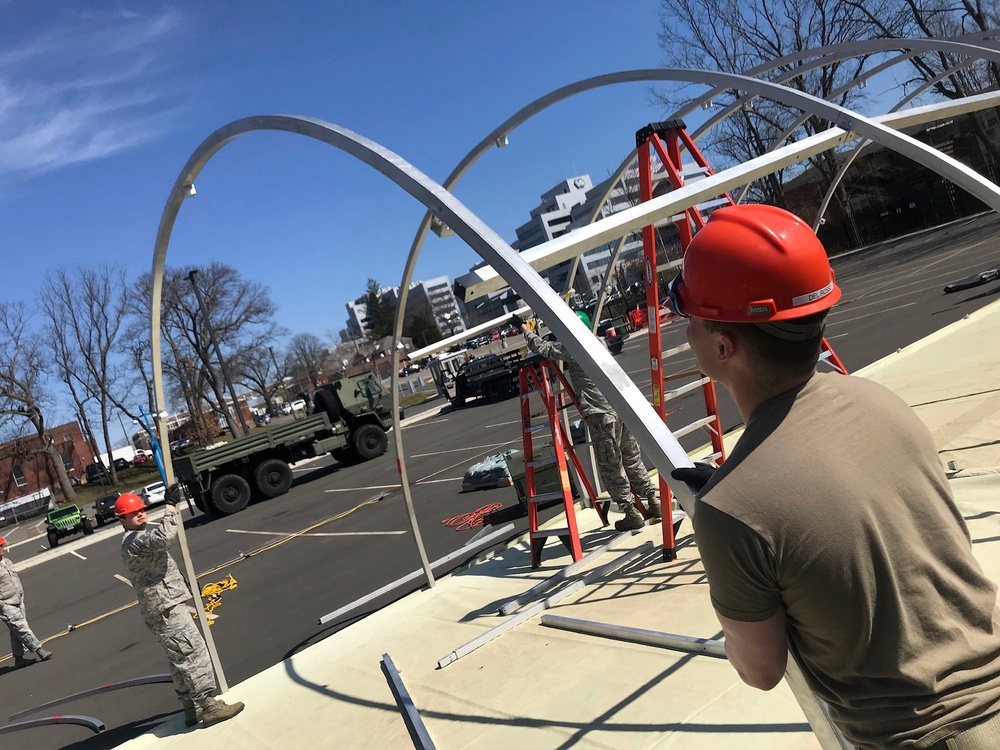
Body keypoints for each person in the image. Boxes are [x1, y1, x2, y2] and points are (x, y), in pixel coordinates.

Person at [666, 204, 1000, 750]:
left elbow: (760, 670)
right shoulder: (882, 402)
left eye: (690, 316)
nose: (684, 330)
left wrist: (726, 530)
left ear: (723, 345)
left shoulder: (731, 511)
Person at [516, 309, 659, 531]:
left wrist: (525, 330)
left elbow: (543, 348)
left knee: (611, 465)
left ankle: (630, 512)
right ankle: (653, 500)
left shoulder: (575, 348)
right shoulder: (598, 342)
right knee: (631, 458)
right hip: (622, 408)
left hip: (601, 414)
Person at [116, 489, 244, 728]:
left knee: (178, 659)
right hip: (167, 609)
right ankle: (208, 705)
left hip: (161, 608)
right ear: (121, 520)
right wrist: (170, 507)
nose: (141, 515)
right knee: (193, 653)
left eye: (142, 510)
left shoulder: (134, 539)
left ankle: (191, 706)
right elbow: (165, 536)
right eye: (133, 513)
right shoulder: (135, 540)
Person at [0, 535, 52, 668]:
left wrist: (21, 595)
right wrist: (2, 606)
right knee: (22, 628)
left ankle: (19, 658)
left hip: (17, 600)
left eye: (2, 545)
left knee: (16, 630)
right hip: (6, 605)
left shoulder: (7, 562)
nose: (2, 548)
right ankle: (40, 651)